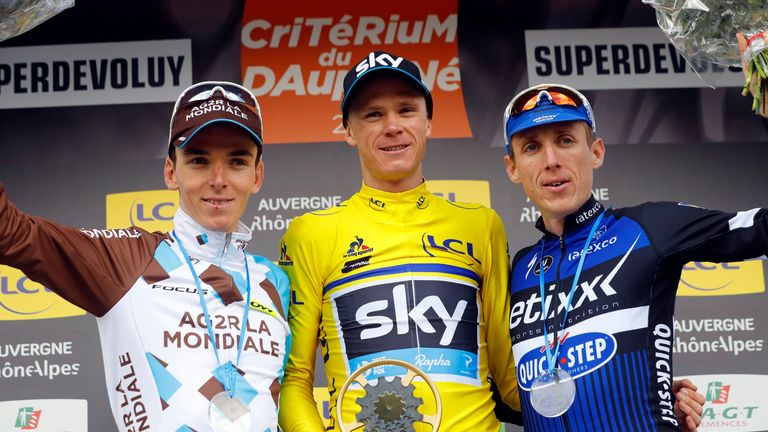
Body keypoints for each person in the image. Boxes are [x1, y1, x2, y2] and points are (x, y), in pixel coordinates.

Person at [0, 82, 291, 432]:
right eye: (199, 161)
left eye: (237, 161)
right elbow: (11, 233)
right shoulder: (127, 259)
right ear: (171, 172)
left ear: (257, 175)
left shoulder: (273, 280)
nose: (218, 179)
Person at [277, 51, 520, 431]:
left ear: (428, 122)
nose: (392, 126)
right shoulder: (310, 233)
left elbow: (511, 381)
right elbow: (293, 381)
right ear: (348, 130)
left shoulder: (481, 225)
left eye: (406, 110)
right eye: (373, 114)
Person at [501, 82, 764, 431]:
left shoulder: (649, 228)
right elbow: (505, 398)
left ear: (596, 152)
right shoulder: (520, 268)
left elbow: (760, 229)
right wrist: (642, 390)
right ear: (513, 167)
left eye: (565, 140)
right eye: (532, 147)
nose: (551, 161)